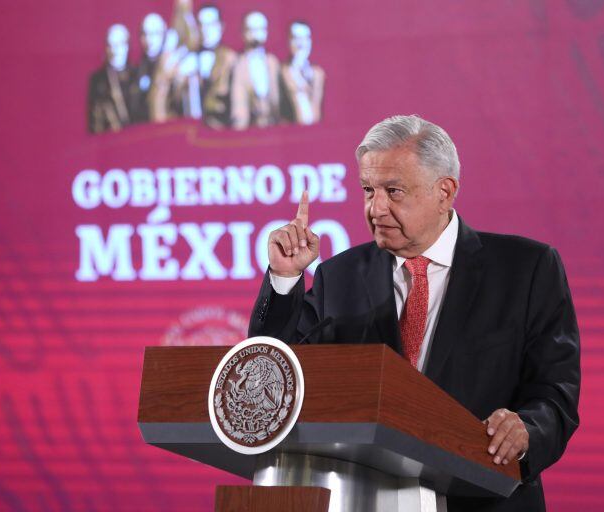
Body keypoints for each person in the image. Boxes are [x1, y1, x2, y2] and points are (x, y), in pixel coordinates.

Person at [248, 115, 580, 511]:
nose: (377, 208)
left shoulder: (526, 269)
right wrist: (285, 279)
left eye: (394, 191)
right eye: (368, 190)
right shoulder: (339, 276)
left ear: (445, 191)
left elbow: (555, 391)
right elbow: (271, 374)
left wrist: (527, 429)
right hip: (364, 498)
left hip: (483, 499)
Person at [170, 5, 237, 127]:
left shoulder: (231, 59)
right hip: (190, 130)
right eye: (201, 24)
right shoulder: (187, 59)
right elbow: (174, 100)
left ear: (221, 27)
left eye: (211, 24)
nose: (205, 30)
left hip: (223, 130)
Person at [230, 11, 281, 130]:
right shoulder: (238, 65)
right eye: (250, 30)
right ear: (243, 33)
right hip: (249, 133)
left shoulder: (273, 63)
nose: (255, 35)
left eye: (260, 30)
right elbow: (238, 109)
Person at [87, 24, 141, 133]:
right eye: (111, 45)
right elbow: (95, 121)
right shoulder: (98, 79)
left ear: (127, 46)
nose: (115, 50)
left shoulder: (138, 74)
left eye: (120, 44)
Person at [280, 21, 325, 125]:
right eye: (296, 38)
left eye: (305, 38)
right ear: (288, 41)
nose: (301, 44)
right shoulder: (281, 72)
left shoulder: (318, 74)